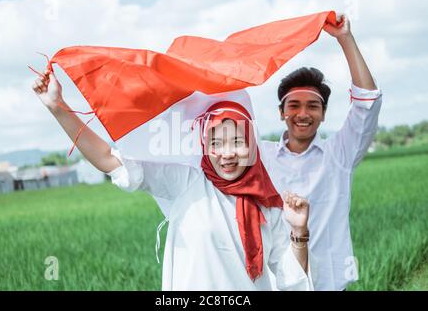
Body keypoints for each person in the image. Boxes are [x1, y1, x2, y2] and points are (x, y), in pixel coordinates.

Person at [32, 74, 315, 290]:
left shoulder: (269, 205)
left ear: (251, 144)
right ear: (204, 144)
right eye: (216, 141)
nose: (227, 153)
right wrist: (58, 107)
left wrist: (299, 231)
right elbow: (108, 159)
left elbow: (294, 281)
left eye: (238, 141)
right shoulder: (186, 182)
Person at [260, 13, 383, 290]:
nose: (302, 114)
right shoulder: (261, 156)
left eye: (312, 106)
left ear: (324, 114)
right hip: (274, 282)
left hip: (328, 281)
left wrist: (345, 39)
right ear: (281, 113)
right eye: (293, 105)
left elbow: (367, 103)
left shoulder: (339, 153)